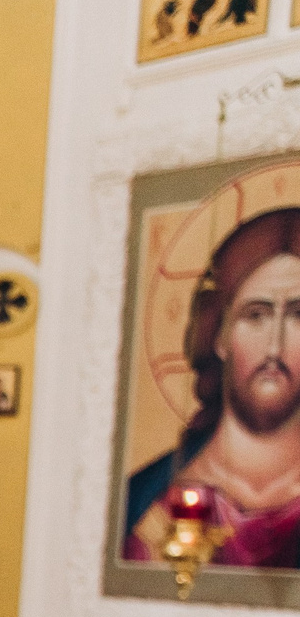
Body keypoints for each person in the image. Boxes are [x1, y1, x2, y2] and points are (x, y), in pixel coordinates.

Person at [127, 206, 300, 568]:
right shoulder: (149, 500)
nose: (274, 346)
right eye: (256, 315)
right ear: (220, 335)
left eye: (299, 316)